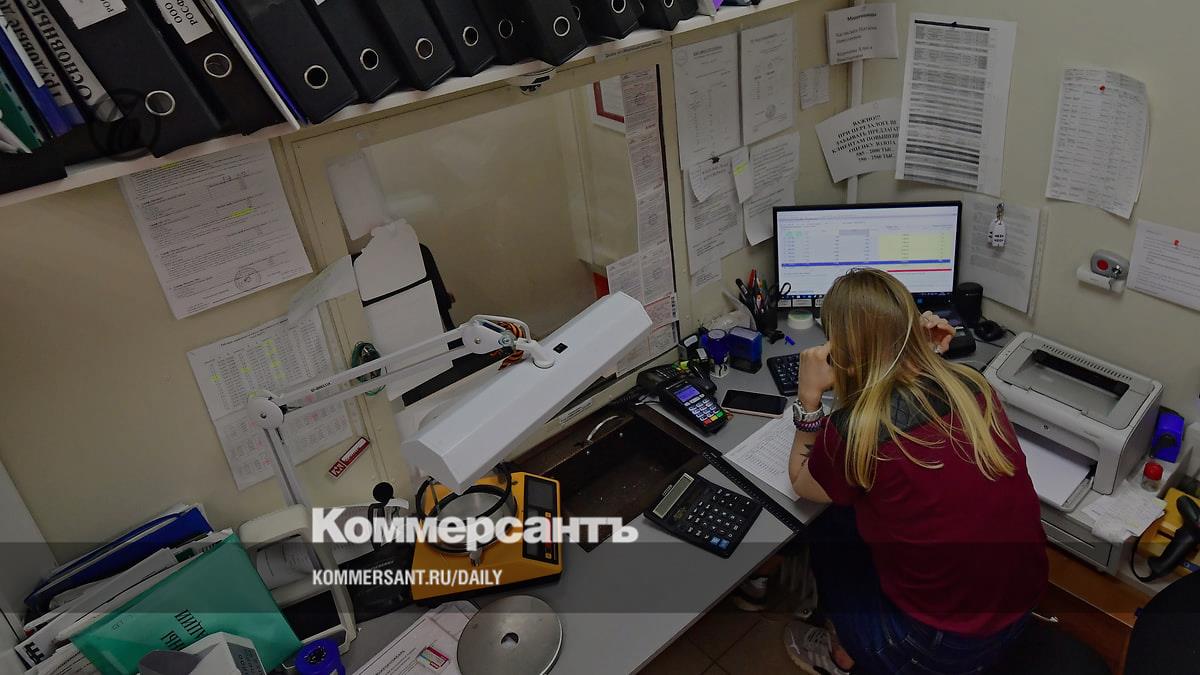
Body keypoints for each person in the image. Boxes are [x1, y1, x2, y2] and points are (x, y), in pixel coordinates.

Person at [782, 268, 1047, 675]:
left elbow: (802, 482)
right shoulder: (972, 387)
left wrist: (809, 399)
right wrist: (916, 353)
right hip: (1020, 611)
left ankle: (843, 652)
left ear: (839, 349)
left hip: (936, 647)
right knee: (863, 506)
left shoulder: (856, 431)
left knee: (827, 523)